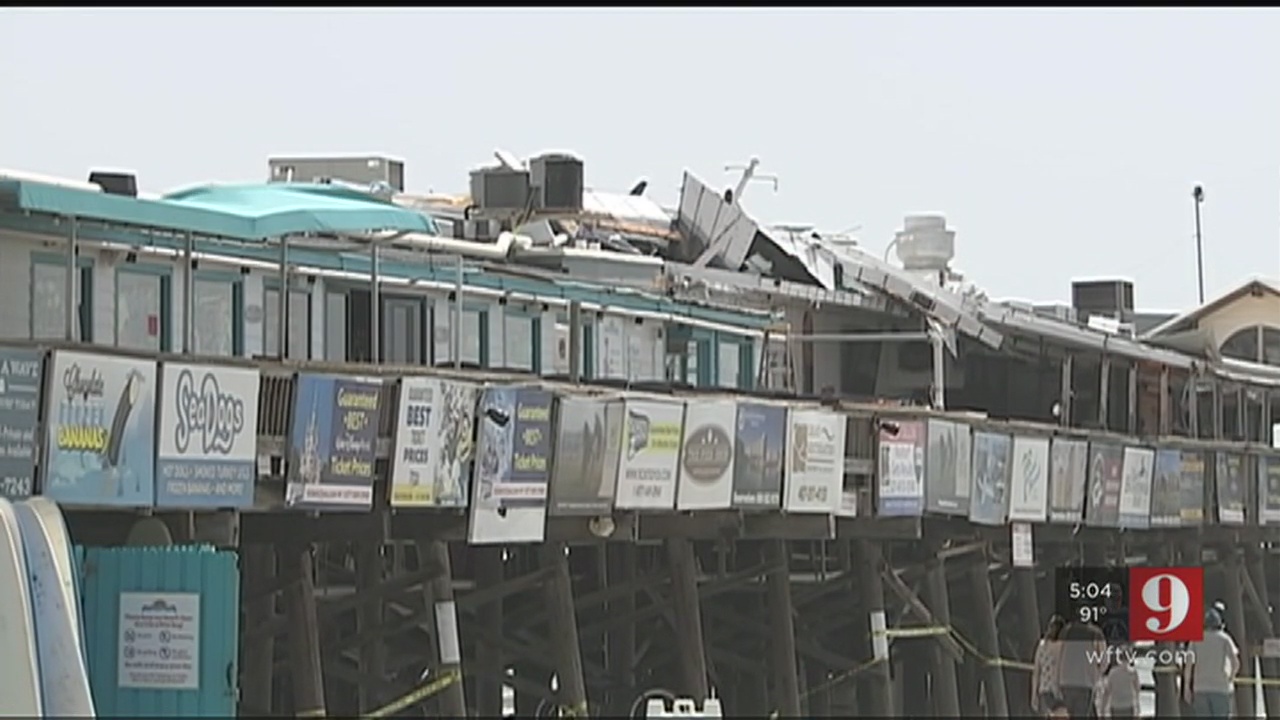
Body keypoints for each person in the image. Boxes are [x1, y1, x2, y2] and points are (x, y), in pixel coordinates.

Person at [1186, 608, 1240, 719]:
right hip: (1220, 688)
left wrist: (1187, 687)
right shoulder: (1225, 639)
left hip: (1200, 688)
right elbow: (1236, 663)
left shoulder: (1196, 639)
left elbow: (1189, 664)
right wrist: (1230, 678)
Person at [1058, 619, 1106, 718]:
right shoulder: (1096, 633)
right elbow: (1104, 660)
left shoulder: (1066, 631)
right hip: (1084, 682)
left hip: (1065, 681)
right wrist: (1097, 675)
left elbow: (1057, 655)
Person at [1031, 615, 1066, 716]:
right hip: (1060, 691)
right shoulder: (1063, 646)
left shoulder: (1042, 645)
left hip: (1044, 690)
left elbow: (1036, 672)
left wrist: (1034, 694)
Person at [1099, 645, 1140, 720]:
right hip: (1128, 705)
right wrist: (1137, 709)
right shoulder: (1132, 672)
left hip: (1116, 706)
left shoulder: (1112, 672)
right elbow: (1137, 691)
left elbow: (1107, 692)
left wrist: (1102, 710)